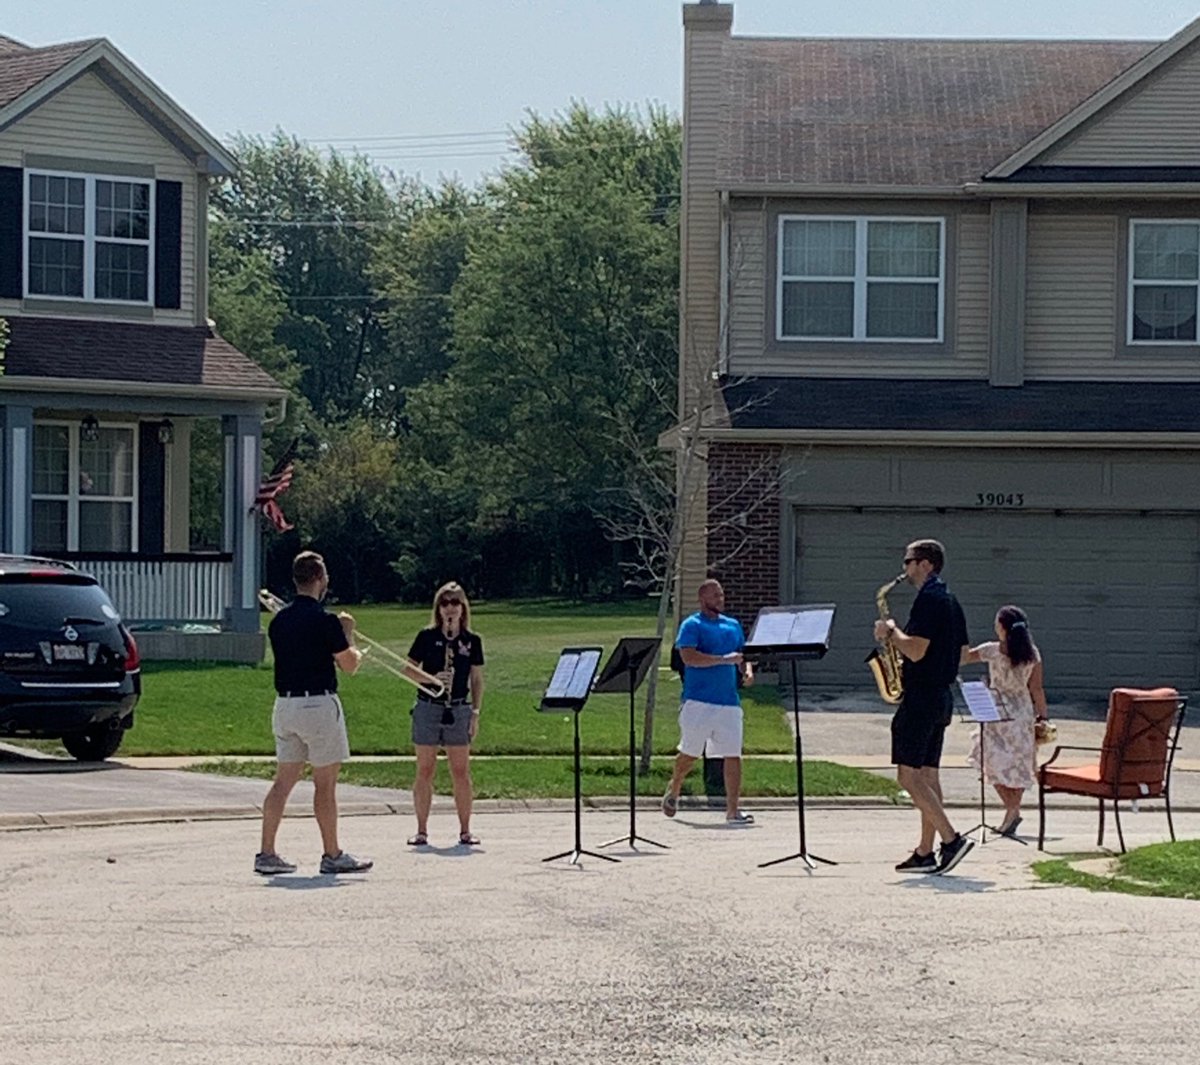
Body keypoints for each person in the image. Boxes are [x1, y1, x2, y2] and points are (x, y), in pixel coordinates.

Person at [255, 551, 374, 876]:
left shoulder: (280, 621)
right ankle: (332, 853)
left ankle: (266, 852)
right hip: (318, 704)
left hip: (286, 705)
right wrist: (348, 633)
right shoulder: (326, 621)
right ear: (320, 579)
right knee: (325, 784)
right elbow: (349, 665)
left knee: (283, 781)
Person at [873, 539, 973, 875]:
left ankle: (951, 839)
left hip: (922, 698)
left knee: (908, 776)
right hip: (941, 696)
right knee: (929, 776)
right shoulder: (951, 600)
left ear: (925, 564)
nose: (904, 568)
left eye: (908, 561)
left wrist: (890, 632)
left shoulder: (929, 599)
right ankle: (925, 852)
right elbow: (962, 654)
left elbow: (915, 650)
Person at [662, 578, 755, 824]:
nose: (720, 599)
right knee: (690, 753)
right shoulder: (692, 625)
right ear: (702, 598)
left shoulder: (733, 625)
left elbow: (744, 655)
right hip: (698, 701)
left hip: (729, 702)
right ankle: (675, 785)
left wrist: (747, 670)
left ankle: (733, 811)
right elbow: (689, 657)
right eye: (715, 595)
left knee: (733, 754)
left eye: (721, 594)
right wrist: (724, 659)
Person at [405, 581, 485, 847]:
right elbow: (408, 670)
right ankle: (421, 830)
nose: (450, 608)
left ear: (463, 608)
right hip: (429, 706)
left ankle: (465, 830)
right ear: (438, 608)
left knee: (460, 771)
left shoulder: (471, 641)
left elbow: (476, 679)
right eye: (445, 603)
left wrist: (475, 712)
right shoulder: (426, 636)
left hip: (459, 707)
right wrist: (432, 679)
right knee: (425, 769)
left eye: (455, 603)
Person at [963, 605, 1049, 837]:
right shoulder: (1032, 653)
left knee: (989, 761)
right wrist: (1043, 716)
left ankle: (1012, 811)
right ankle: (1013, 811)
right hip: (1021, 714)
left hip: (995, 711)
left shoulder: (992, 650)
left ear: (1002, 628)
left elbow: (963, 658)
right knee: (1017, 765)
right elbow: (1036, 688)